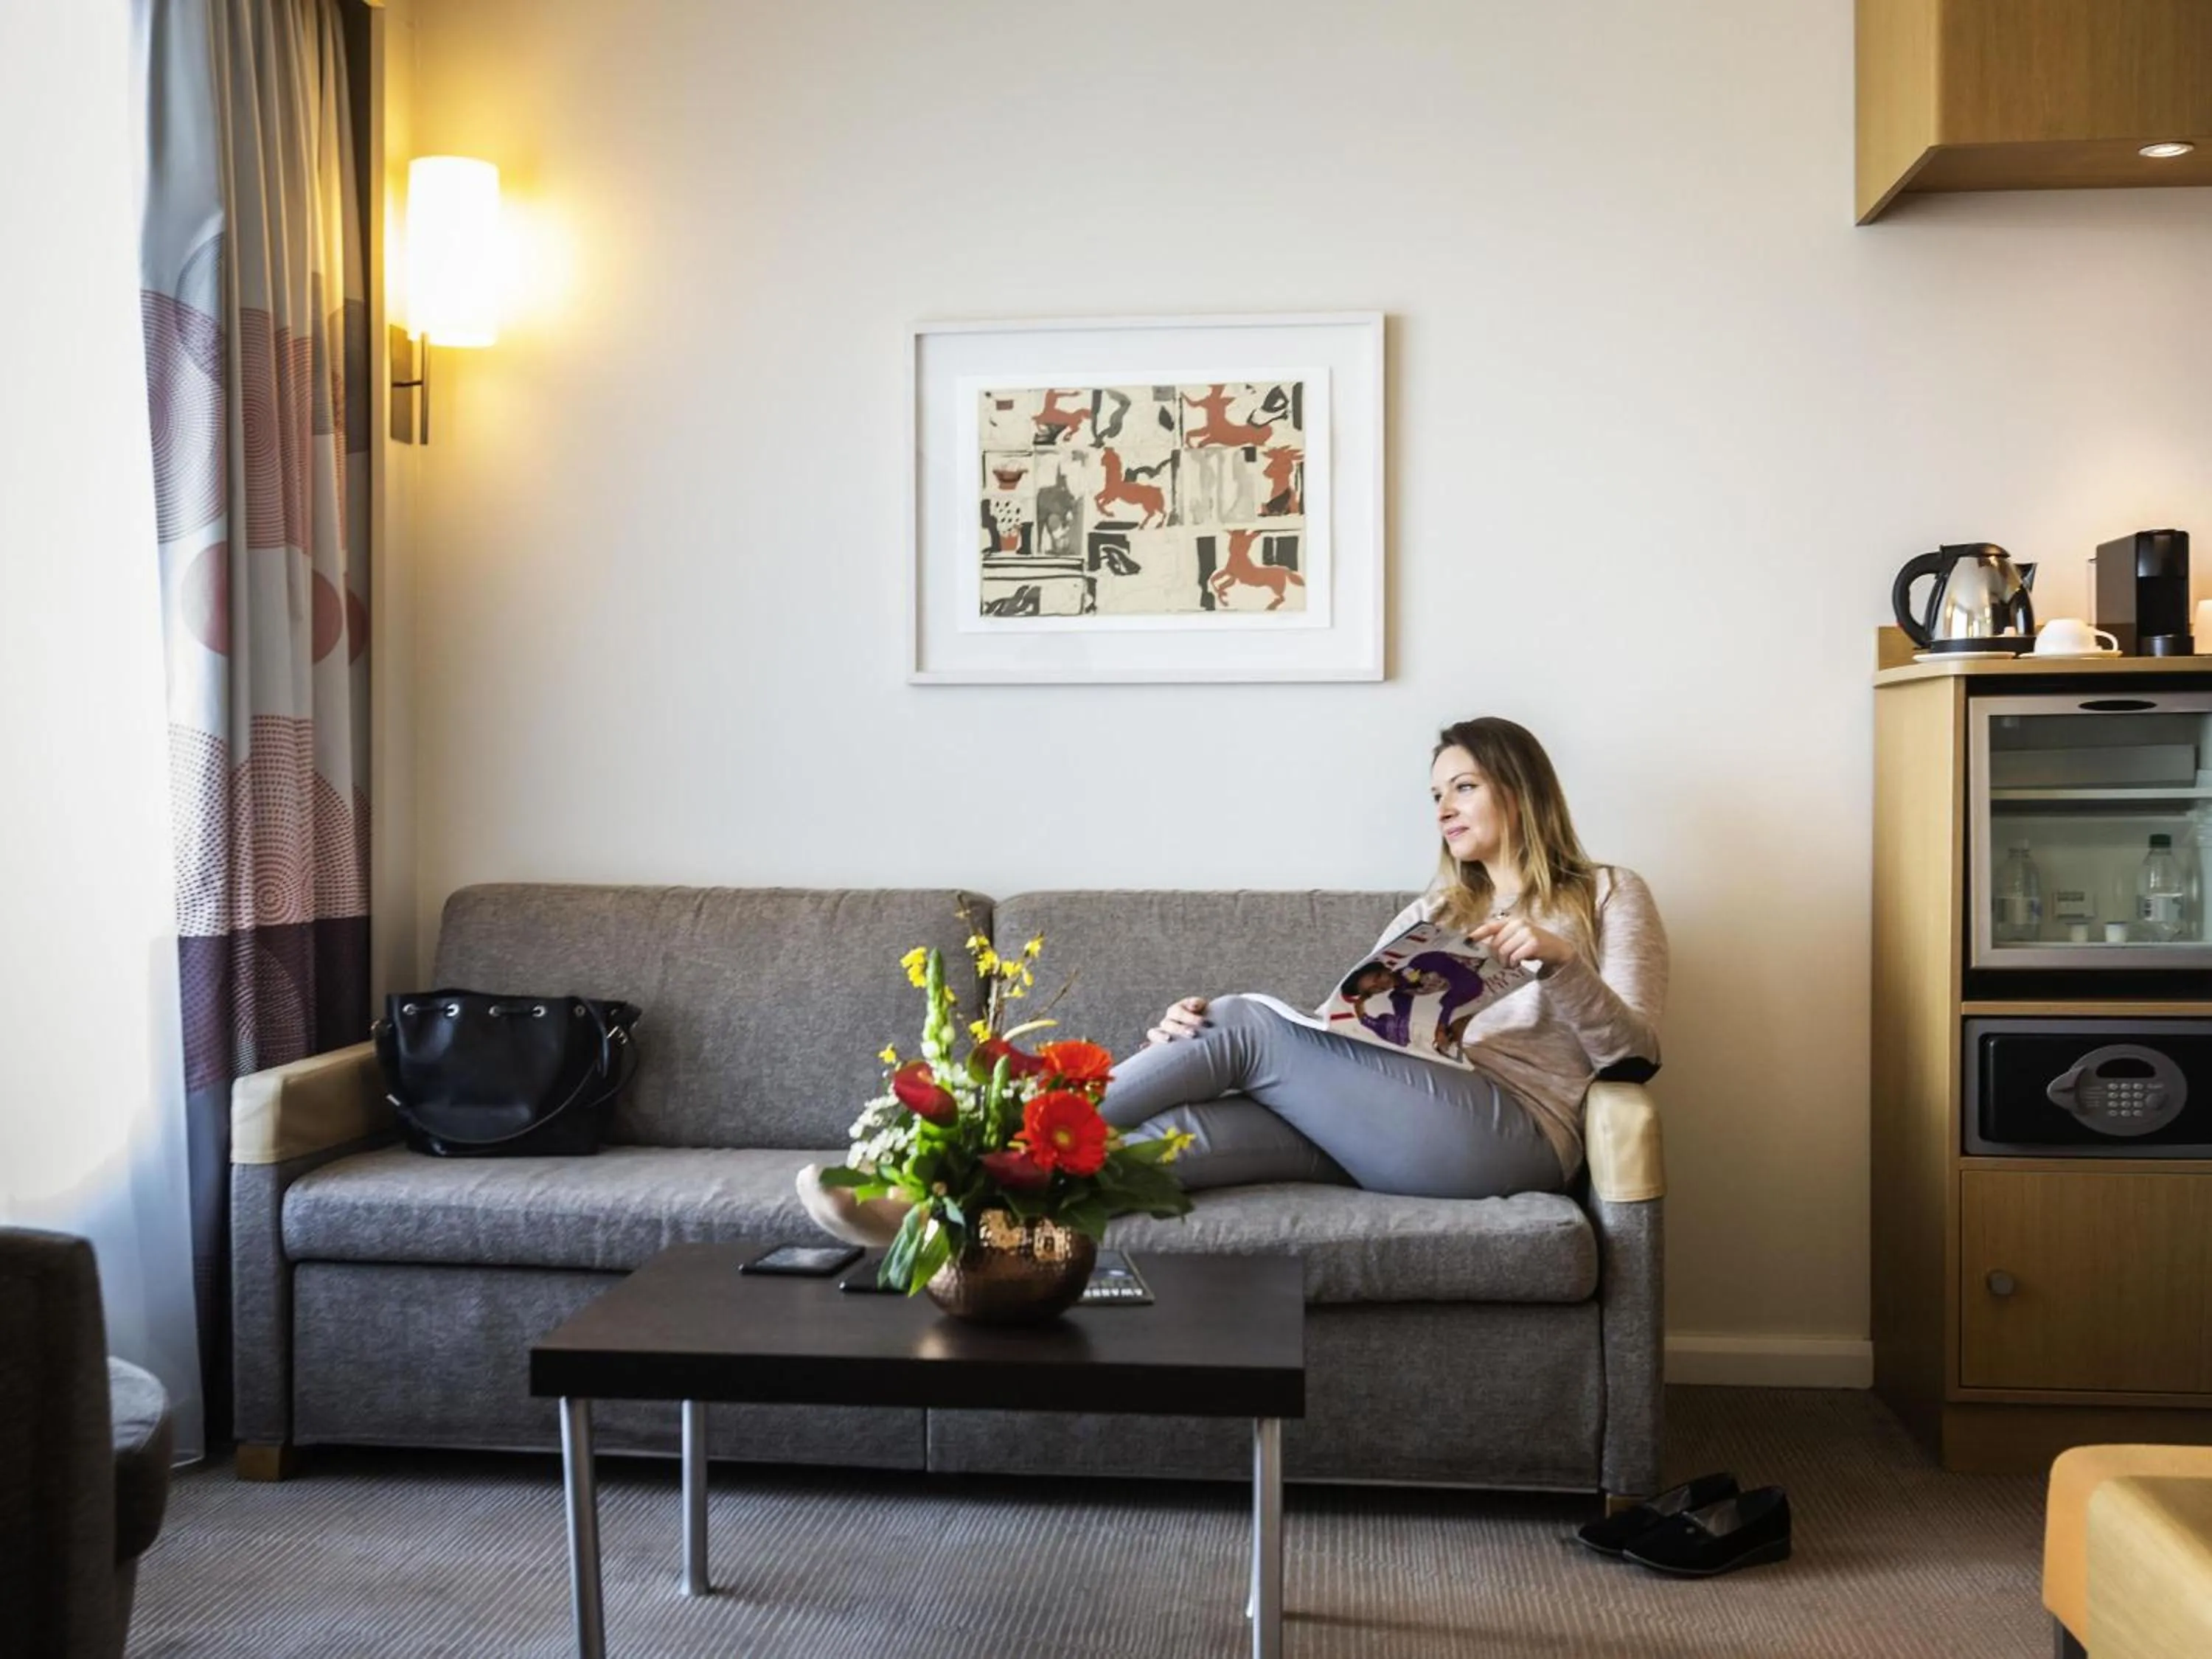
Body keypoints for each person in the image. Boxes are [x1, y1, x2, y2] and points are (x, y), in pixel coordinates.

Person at [798, 717, 1666, 1241]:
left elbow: (1634, 1054)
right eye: (1435, 792)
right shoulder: (1432, 910)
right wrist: (1186, 1037)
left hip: (1513, 1137)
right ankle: (956, 1222)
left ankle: (975, 1159)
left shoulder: (1609, 894)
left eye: (1464, 785)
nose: (1442, 808)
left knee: (1247, 1024)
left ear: (1520, 789)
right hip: (1401, 1122)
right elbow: (1349, 1033)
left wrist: (1559, 963)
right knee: (1185, 1136)